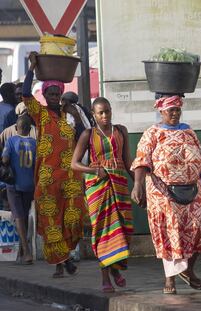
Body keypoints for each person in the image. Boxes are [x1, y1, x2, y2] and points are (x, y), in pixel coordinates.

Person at [131, 95, 201, 295]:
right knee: (169, 234)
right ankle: (170, 278)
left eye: (177, 110)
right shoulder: (152, 133)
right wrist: (137, 186)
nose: (175, 114)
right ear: (161, 111)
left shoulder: (189, 132)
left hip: (194, 191)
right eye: (171, 110)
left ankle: (188, 270)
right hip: (164, 194)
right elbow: (142, 161)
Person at [22, 52, 85, 277]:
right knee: (52, 220)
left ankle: (66, 257)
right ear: (45, 94)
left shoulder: (70, 114)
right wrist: (32, 67)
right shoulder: (41, 114)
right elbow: (25, 94)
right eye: (50, 92)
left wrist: (75, 116)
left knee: (72, 219)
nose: (54, 96)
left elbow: (82, 136)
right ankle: (61, 263)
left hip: (71, 177)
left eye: (57, 92)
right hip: (48, 178)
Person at [71, 97, 134, 293]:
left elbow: (127, 161)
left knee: (123, 230)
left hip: (120, 187)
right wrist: (94, 170)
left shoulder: (121, 131)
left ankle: (115, 270)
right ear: (93, 114)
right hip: (98, 187)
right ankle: (105, 276)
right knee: (103, 232)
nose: (105, 116)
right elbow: (74, 163)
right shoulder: (88, 135)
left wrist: (141, 184)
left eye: (107, 111)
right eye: (100, 113)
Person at [2, 114, 36, 265]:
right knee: (25, 214)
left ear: (16, 128)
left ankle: (26, 250)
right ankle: (23, 250)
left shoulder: (11, 140)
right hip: (29, 185)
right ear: (29, 129)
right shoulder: (35, 143)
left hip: (14, 185)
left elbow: (5, 159)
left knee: (18, 217)